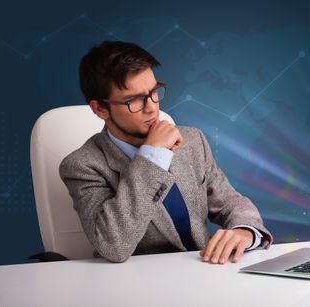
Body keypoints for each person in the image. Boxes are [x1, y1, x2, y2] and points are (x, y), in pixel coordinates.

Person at [59, 40, 273, 263]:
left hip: (205, 271)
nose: (152, 107)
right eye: (133, 100)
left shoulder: (192, 140)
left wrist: (245, 231)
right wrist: (152, 156)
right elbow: (113, 245)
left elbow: (230, 203)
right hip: (140, 287)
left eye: (153, 92)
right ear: (100, 109)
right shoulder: (82, 166)